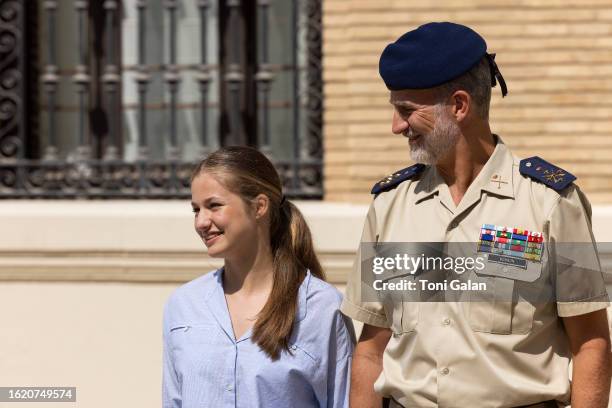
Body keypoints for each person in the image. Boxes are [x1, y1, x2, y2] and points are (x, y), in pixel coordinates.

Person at [341, 22, 611, 408]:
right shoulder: (390, 205)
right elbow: (371, 349)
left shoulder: (551, 203)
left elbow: (591, 343)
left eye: (407, 111)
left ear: (459, 106)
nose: (396, 126)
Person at [162, 146, 354, 408]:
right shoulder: (184, 305)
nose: (201, 222)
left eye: (214, 206)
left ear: (259, 206)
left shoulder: (321, 307)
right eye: (196, 210)